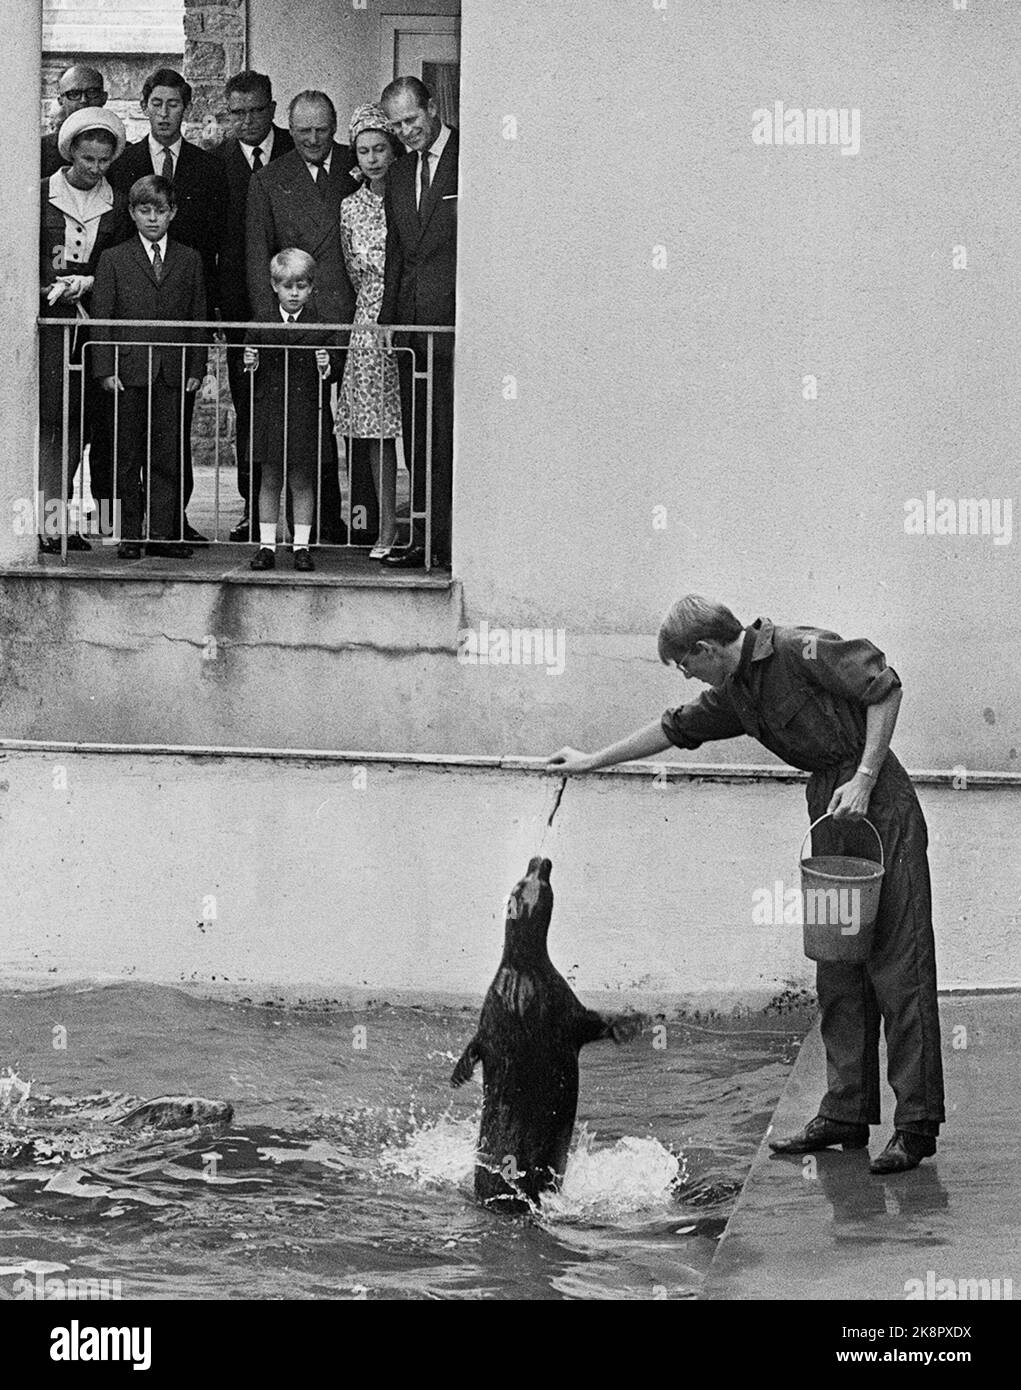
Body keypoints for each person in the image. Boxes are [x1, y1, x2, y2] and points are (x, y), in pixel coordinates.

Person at [547, 595, 945, 1176]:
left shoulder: (798, 648)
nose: (685, 676)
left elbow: (886, 687)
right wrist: (589, 762)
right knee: (837, 965)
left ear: (706, 649)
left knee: (897, 965)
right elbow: (672, 728)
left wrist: (864, 777)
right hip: (829, 810)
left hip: (878, 802)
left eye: (685, 664)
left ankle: (915, 1127)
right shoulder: (737, 693)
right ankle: (845, 1114)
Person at [109, 68, 228, 543]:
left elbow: (215, 243)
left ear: (186, 107)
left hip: (178, 327)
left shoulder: (207, 167)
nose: (164, 113)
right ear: (144, 105)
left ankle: (170, 526)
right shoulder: (124, 164)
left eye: (174, 104)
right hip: (133, 334)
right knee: (126, 445)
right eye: (156, 103)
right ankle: (126, 530)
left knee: (172, 444)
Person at [246, 90, 362, 545]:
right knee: (296, 423)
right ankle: (293, 533)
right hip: (294, 317)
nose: (313, 139)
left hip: (348, 312)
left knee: (355, 420)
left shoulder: (359, 167)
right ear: (289, 130)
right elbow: (259, 260)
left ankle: (356, 519)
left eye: (321, 129)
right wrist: (270, 325)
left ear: (334, 126)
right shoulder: (270, 179)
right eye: (303, 131)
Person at [91, 174, 207, 560]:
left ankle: (163, 533)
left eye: (160, 210)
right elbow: (102, 317)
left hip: (172, 371)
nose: (152, 219)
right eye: (144, 211)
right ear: (132, 213)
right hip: (128, 372)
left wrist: (196, 366)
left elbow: (197, 317)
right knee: (126, 455)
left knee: (168, 454)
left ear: (172, 212)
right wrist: (105, 368)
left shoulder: (189, 259)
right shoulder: (114, 258)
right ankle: (129, 534)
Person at [38, 107, 129, 553]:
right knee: (54, 422)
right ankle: (48, 521)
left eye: (103, 160)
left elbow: (118, 262)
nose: (95, 168)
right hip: (52, 324)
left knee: (81, 425)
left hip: (92, 322)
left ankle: (64, 519)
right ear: (70, 152)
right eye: (87, 158)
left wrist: (89, 282)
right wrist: (49, 286)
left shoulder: (115, 204)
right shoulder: (42, 196)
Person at [379, 76, 458, 570]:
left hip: (458, 326)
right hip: (413, 328)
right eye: (397, 124)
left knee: (457, 436)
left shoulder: (475, 157)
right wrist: (390, 320)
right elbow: (395, 255)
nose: (406, 132)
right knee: (422, 436)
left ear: (432, 107)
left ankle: (458, 542)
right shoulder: (401, 171)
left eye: (412, 120)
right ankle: (425, 539)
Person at [214, 70, 294, 542]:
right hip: (243, 312)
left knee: (307, 408)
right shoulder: (215, 162)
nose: (247, 121)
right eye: (237, 113)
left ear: (272, 108)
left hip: (299, 305)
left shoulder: (296, 149)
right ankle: (253, 511)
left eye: (256, 111)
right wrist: (223, 311)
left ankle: (316, 513)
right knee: (250, 410)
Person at [244, 249, 340, 574]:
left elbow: (335, 366)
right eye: (287, 286)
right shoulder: (261, 322)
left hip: (305, 412)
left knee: (302, 481)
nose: (294, 293)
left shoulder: (321, 325)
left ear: (311, 288)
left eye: (301, 286)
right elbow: (247, 361)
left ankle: (301, 545)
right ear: (274, 286)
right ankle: (266, 545)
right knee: (269, 479)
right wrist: (249, 363)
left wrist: (329, 365)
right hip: (271, 411)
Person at [337, 103, 404, 559]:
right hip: (368, 322)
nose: (373, 158)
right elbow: (349, 269)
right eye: (364, 151)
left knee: (418, 426)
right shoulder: (349, 207)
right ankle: (383, 528)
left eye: (380, 148)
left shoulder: (407, 194)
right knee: (374, 431)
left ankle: (425, 522)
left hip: (406, 315)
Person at [41, 65, 108, 178]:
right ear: (61, 101)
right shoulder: (41, 150)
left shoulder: (124, 152)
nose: (83, 100)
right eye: (74, 94)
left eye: (92, 92)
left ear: (104, 98)